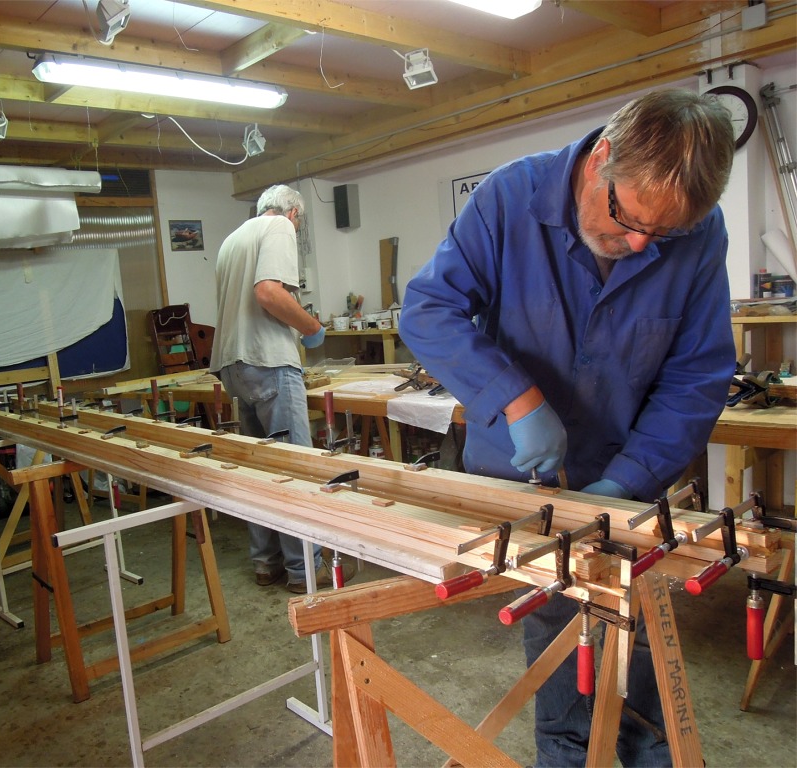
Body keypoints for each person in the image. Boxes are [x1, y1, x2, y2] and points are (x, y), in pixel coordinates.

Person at [399, 89, 736, 766]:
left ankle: (648, 753)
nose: (639, 245)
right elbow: (428, 310)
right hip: (528, 485)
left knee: (638, 638)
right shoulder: (509, 198)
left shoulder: (698, 232)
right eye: (628, 219)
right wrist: (516, 398)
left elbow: (696, 375)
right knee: (558, 644)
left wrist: (629, 478)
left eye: (661, 235)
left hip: (627, 482)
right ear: (601, 158)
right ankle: (566, 753)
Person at [210, 184, 352, 594]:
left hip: (234, 365)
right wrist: (311, 327)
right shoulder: (279, 228)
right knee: (295, 470)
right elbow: (269, 293)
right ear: (294, 214)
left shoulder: (232, 240)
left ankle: (265, 562)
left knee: (260, 470)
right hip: (268, 361)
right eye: (300, 223)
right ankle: (305, 570)